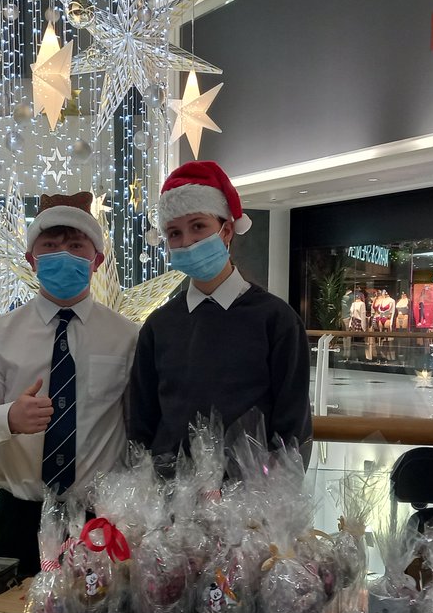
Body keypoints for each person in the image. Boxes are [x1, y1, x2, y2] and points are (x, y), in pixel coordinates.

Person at [0, 193, 138, 576]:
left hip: (100, 519)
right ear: (31, 259)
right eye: (51, 246)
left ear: (96, 261)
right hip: (20, 516)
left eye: (76, 246)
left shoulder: (127, 337)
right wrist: (9, 418)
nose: (63, 254)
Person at [128, 160, 313, 465]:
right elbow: (142, 421)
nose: (187, 242)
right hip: (169, 498)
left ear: (227, 230)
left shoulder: (276, 320)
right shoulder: (159, 325)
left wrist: (274, 495)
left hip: (250, 502)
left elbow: (292, 425)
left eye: (198, 226)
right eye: (174, 233)